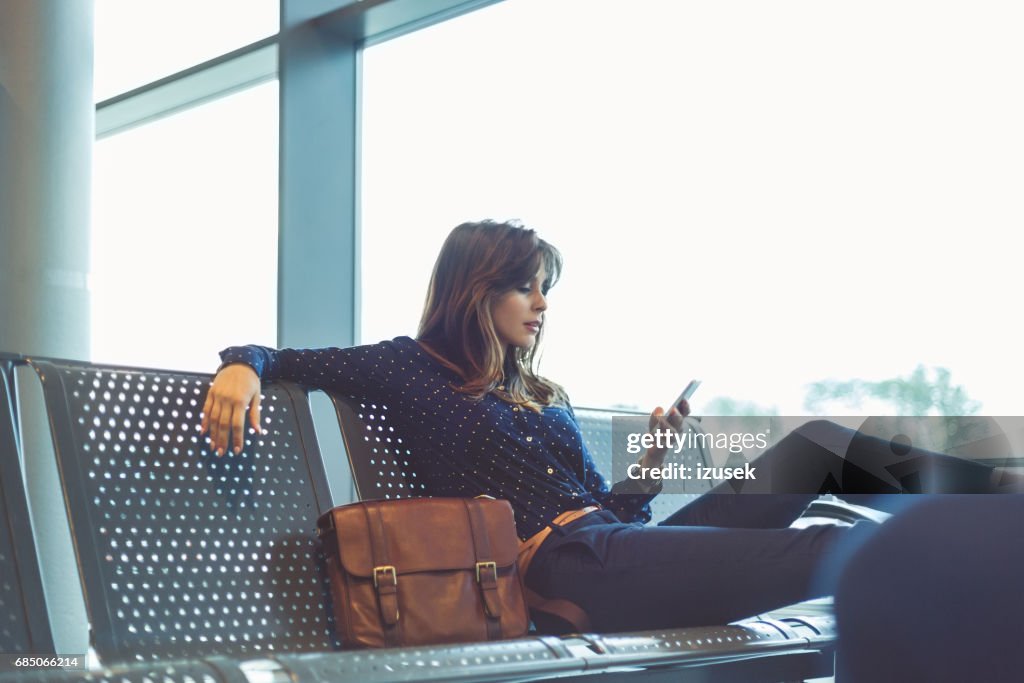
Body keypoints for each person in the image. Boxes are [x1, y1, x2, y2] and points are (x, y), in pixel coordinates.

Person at [200, 219, 1018, 633]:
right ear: (475, 291)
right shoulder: (409, 366)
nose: (543, 303)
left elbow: (617, 514)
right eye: (527, 287)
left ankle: (1004, 500)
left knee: (818, 448)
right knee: (821, 546)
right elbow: (284, 354)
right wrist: (243, 362)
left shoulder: (542, 395)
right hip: (559, 572)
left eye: (544, 288)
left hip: (607, 546)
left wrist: (654, 464)